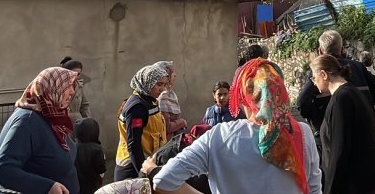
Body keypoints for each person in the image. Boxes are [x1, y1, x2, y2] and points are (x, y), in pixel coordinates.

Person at [148, 58, 322, 194]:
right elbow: (314, 189)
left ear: (243, 96)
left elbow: (163, 180)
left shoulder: (219, 136)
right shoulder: (302, 132)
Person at [0, 67, 80, 194]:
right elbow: (1, 169)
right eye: (68, 86)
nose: (72, 91)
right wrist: (46, 187)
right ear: (51, 88)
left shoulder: (51, 117)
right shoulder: (27, 121)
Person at [311, 55, 375, 194]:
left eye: (313, 77)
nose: (313, 82)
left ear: (323, 74)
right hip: (374, 172)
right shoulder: (353, 91)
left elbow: (339, 150)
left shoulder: (341, 100)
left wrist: (330, 190)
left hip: (361, 179)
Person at [297, 30, 375, 139]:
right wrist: (363, 104)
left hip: (330, 134)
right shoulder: (357, 67)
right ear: (342, 48)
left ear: (320, 51)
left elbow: (302, 103)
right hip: (361, 132)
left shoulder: (319, 73)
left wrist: (316, 119)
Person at [114, 64, 169, 181]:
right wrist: (144, 172)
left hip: (149, 163)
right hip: (133, 169)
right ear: (147, 82)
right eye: (159, 84)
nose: (162, 89)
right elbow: (133, 144)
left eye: (164, 85)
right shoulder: (137, 107)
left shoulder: (150, 101)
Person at [154, 61, 188, 140]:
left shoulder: (170, 93)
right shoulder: (163, 95)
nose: (175, 75)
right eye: (172, 73)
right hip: (166, 142)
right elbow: (166, 127)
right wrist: (182, 122)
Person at [75, 118, 107, 194]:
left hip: (77, 184)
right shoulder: (97, 149)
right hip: (92, 185)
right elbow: (101, 169)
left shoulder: (73, 146)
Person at [61, 57, 91, 124]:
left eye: (78, 74)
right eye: (73, 73)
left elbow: (84, 105)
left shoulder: (79, 87)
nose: (75, 76)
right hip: (63, 121)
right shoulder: (60, 86)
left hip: (78, 122)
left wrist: (87, 120)